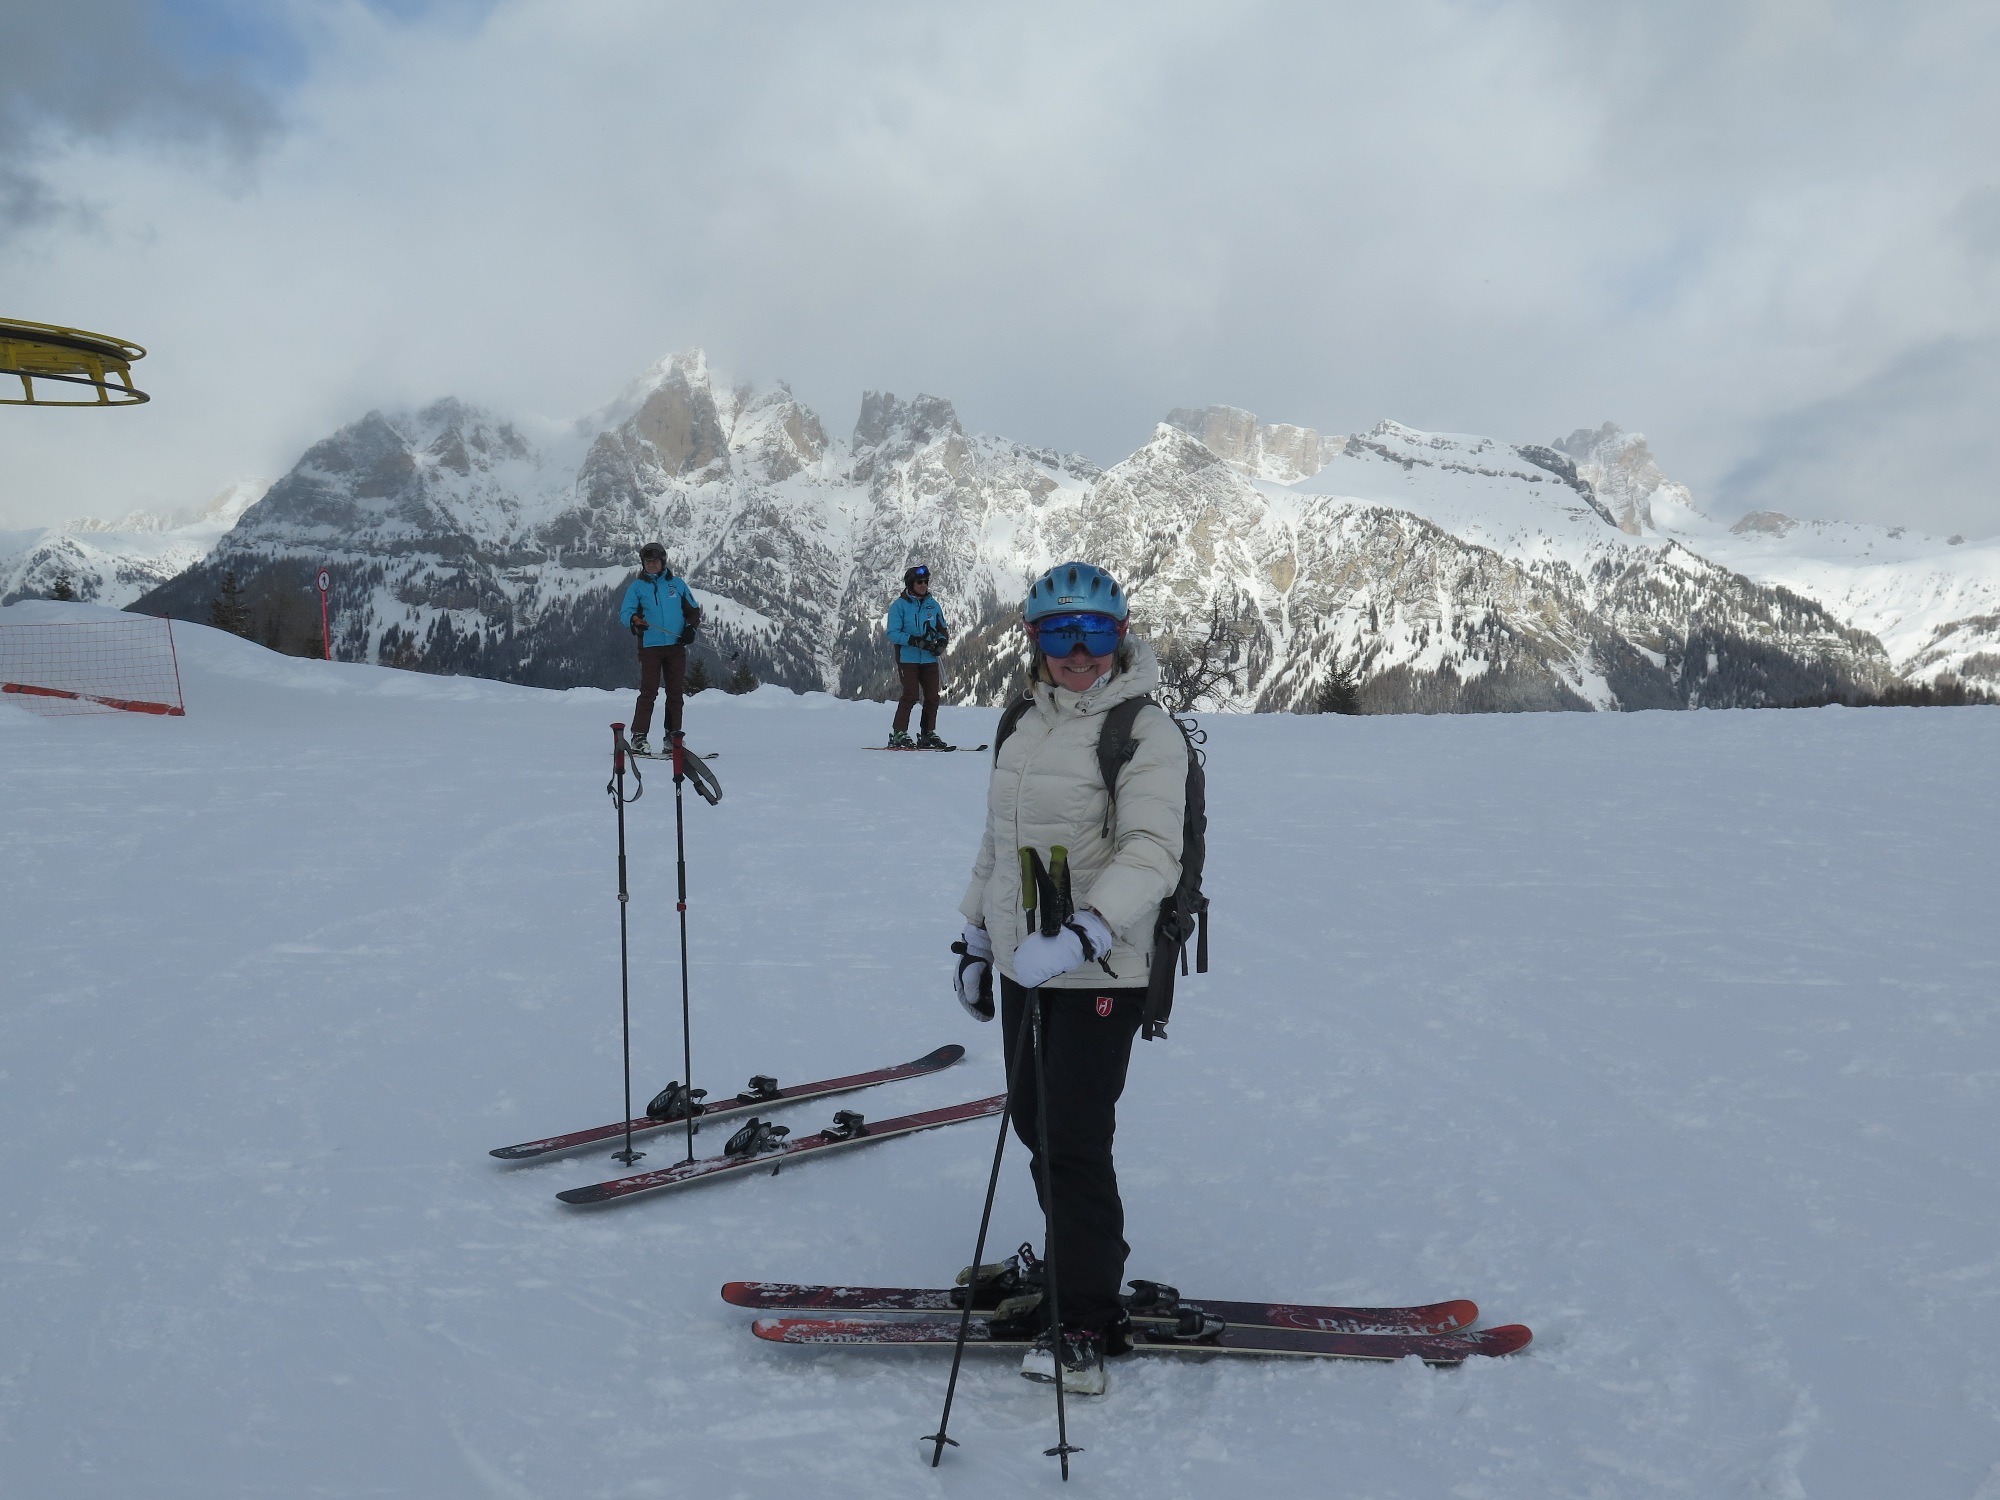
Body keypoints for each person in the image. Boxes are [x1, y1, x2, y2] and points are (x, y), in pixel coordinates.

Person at [951, 561, 1186, 1396]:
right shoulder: (1023, 721)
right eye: (1060, 632)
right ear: (1033, 639)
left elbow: (1153, 853)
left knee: (1074, 1141)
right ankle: (1075, 1258)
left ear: (1120, 637)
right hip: (1027, 963)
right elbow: (998, 840)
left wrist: (1088, 929)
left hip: (1101, 970)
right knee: (1034, 1123)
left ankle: (1083, 1317)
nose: (1078, 651)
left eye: (1095, 633)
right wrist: (976, 935)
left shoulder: (1144, 731)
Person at [618, 542, 701, 754]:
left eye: (655, 561)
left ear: (662, 561)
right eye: (647, 562)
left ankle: (672, 737)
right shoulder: (637, 587)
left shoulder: (677, 584)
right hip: (650, 647)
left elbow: (693, 611)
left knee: (675, 693)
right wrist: (634, 620)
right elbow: (625, 612)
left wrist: (690, 628)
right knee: (648, 692)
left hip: (675, 647)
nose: (651, 565)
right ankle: (639, 737)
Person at [884, 564, 951, 749]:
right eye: (919, 582)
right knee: (911, 695)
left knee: (932, 697)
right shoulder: (899, 606)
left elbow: (942, 629)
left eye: (926, 581)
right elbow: (892, 633)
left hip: (929, 658)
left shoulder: (933, 605)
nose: (923, 585)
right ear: (910, 584)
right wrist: (914, 641)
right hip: (908, 659)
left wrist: (941, 643)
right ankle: (898, 733)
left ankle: (927, 733)